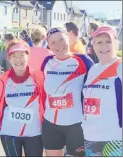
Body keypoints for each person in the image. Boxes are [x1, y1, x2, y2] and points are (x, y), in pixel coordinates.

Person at [40, 27, 94, 157]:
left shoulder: (84, 61)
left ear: (68, 38)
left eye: (61, 40)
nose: (58, 45)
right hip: (51, 123)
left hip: (76, 125)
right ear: (48, 45)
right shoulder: (47, 62)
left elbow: (94, 92)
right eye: (52, 42)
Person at [0, 39, 45, 157]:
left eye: (22, 55)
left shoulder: (38, 77)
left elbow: (44, 102)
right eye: (14, 56)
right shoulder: (3, 79)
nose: (18, 60)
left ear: (28, 56)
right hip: (10, 132)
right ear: (9, 58)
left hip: (34, 132)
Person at [82, 26, 122, 156]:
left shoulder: (120, 67)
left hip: (114, 136)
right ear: (93, 46)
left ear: (116, 44)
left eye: (108, 41)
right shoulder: (93, 69)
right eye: (99, 42)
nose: (103, 46)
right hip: (91, 135)